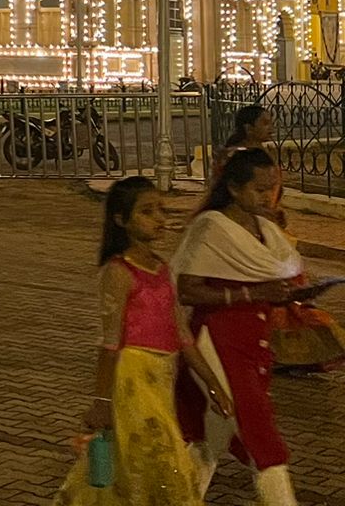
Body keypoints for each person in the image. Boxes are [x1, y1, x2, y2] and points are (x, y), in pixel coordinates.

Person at [172, 148, 337, 504]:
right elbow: (187, 289)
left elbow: (270, 282)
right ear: (233, 188)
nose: (268, 196)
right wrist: (251, 293)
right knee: (259, 431)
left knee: (211, 437)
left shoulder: (266, 229)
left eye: (273, 187)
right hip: (216, 340)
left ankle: (176, 498)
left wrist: (287, 294)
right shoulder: (212, 226)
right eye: (260, 189)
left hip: (254, 342)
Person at [54, 176, 232, 505]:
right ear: (122, 220)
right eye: (147, 212)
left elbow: (183, 336)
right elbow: (109, 344)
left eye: (161, 210)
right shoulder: (118, 271)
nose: (160, 219)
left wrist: (212, 384)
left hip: (162, 379)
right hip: (133, 380)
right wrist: (102, 402)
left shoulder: (162, 269)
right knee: (162, 461)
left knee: (137, 467)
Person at [211, 105, 345, 374]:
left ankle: (288, 353)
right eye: (264, 123)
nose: (270, 127)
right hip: (251, 235)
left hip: (270, 231)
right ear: (248, 128)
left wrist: (274, 214)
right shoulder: (237, 160)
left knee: (288, 295)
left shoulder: (260, 155)